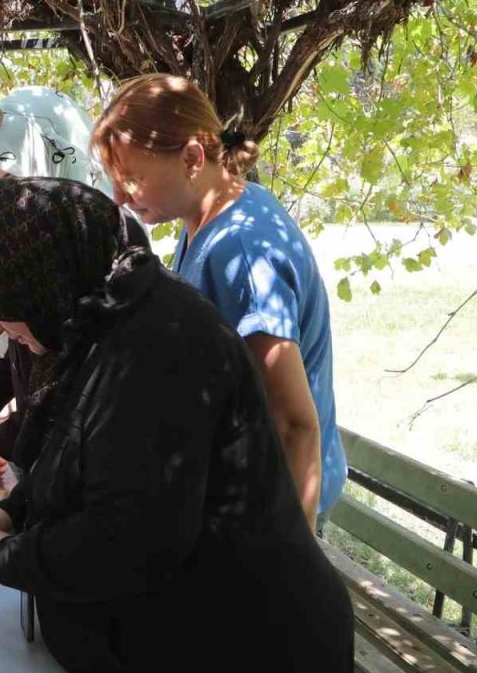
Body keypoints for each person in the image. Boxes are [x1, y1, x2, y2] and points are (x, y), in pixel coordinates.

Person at [0, 177, 354, 673]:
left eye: (2, 303)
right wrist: (11, 511)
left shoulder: (159, 346)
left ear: (45, 276)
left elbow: (127, 537)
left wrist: (2, 557)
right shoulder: (102, 324)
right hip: (197, 661)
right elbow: (70, 446)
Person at [92, 73, 345, 529]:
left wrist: (293, 569)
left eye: (131, 178)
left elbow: (294, 424)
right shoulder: (207, 218)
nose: (119, 196)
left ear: (192, 157)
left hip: (269, 512)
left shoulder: (242, 251)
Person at [0, 87, 151, 463]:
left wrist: (7, 438)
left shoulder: (101, 236)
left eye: (10, 187)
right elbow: (24, 337)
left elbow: (75, 375)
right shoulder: (23, 231)